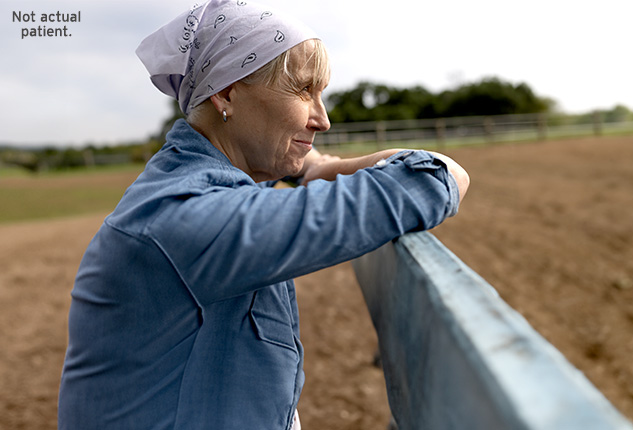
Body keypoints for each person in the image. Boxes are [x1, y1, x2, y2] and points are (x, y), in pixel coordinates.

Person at [57, 1, 469, 429]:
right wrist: (322, 170)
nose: (322, 119)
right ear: (227, 92)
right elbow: (435, 176)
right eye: (304, 91)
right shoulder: (190, 215)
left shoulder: (206, 187)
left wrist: (312, 168)